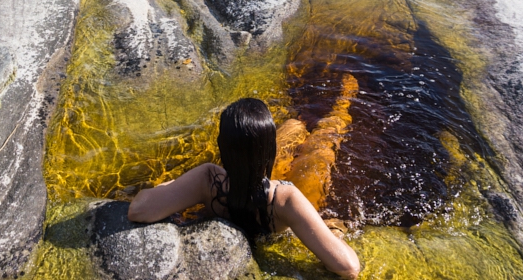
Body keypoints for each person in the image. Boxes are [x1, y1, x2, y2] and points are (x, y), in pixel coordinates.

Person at [127, 98, 361, 279]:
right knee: (321, 143)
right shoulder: (287, 199)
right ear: (271, 151)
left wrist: (171, 186)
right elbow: (349, 268)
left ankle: (306, 121)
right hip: (272, 194)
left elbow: (138, 209)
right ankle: (344, 102)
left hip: (246, 186)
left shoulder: (208, 179)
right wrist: (335, 233)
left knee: (294, 126)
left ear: (222, 148)